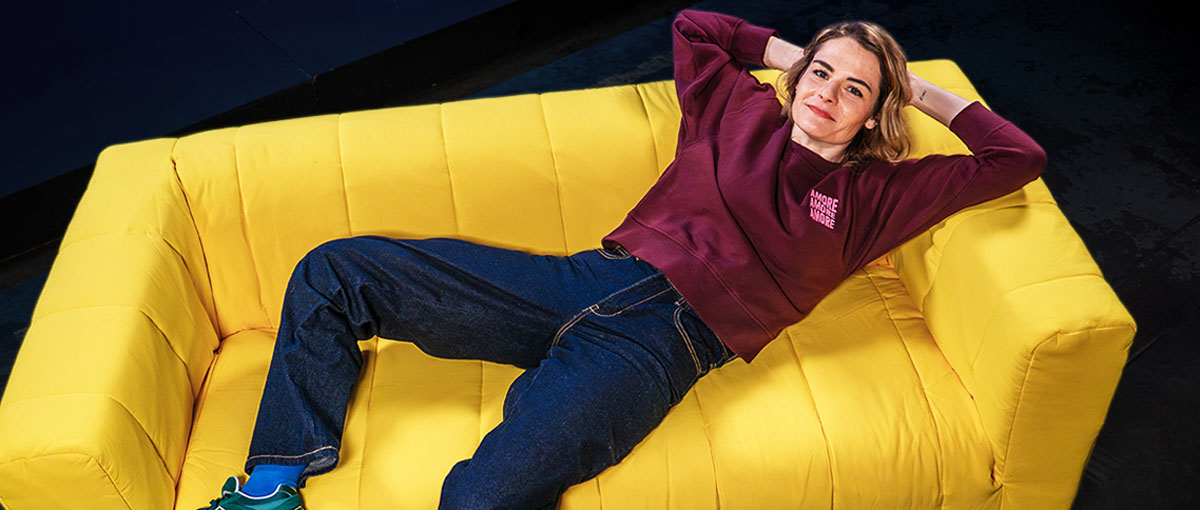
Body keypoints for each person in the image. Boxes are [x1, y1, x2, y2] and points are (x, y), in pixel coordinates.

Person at [200, 8, 1045, 510]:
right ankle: (274, 484)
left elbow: (1016, 158)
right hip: (584, 279)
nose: (826, 93)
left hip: (662, 348)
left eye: (853, 88)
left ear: (875, 113)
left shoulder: (877, 196)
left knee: (483, 498)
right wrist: (799, 55)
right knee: (335, 270)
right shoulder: (737, 110)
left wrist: (914, 86)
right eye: (820, 73)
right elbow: (695, 27)